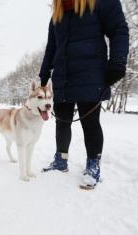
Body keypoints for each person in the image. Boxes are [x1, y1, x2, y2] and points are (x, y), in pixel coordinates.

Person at [40, 0, 129, 189]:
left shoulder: (101, 3)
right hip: (63, 77)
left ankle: (93, 165)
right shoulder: (57, 15)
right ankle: (60, 159)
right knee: (62, 122)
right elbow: (51, 47)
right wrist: (44, 74)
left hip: (91, 74)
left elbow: (119, 30)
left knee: (90, 123)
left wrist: (118, 61)